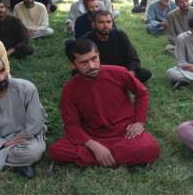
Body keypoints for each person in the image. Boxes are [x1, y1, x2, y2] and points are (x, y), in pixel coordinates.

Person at [48, 38, 160, 167]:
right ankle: (110, 156)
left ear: (98, 54)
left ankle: (99, 158)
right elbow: (71, 125)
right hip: (91, 136)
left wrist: (139, 122)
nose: (92, 65)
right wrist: (95, 147)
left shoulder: (119, 72)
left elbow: (142, 93)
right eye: (84, 62)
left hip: (124, 133)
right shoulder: (69, 89)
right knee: (56, 150)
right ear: (73, 64)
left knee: (150, 147)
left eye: (94, 58)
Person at [85, 10, 151, 83]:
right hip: (100, 73)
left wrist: (130, 74)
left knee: (145, 73)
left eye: (108, 22)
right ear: (93, 24)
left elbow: (133, 58)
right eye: (101, 22)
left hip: (121, 71)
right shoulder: (88, 40)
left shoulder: (120, 35)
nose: (106, 25)